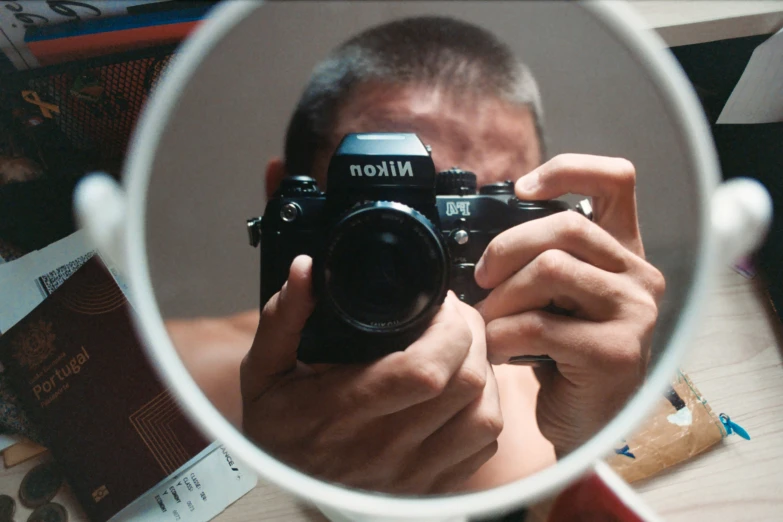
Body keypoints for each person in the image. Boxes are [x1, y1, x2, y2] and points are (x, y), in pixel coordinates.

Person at [168, 16, 665, 494]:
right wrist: (274, 482)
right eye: (386, 216)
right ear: (284, 200)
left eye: (463, 224)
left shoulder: (556, 381)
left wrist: (586, 442)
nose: (413, 262)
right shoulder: (169, 379)